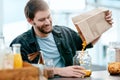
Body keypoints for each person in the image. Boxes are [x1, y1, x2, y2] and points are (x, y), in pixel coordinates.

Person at [10, 0, 113, 78]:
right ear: (30, 21)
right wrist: (58, 71)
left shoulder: (64, 33)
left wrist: (103, 24)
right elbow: (18, 72)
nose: (47, 22)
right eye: (42, 19)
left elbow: (87, 42)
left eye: (48, 17)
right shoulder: (20, 44)